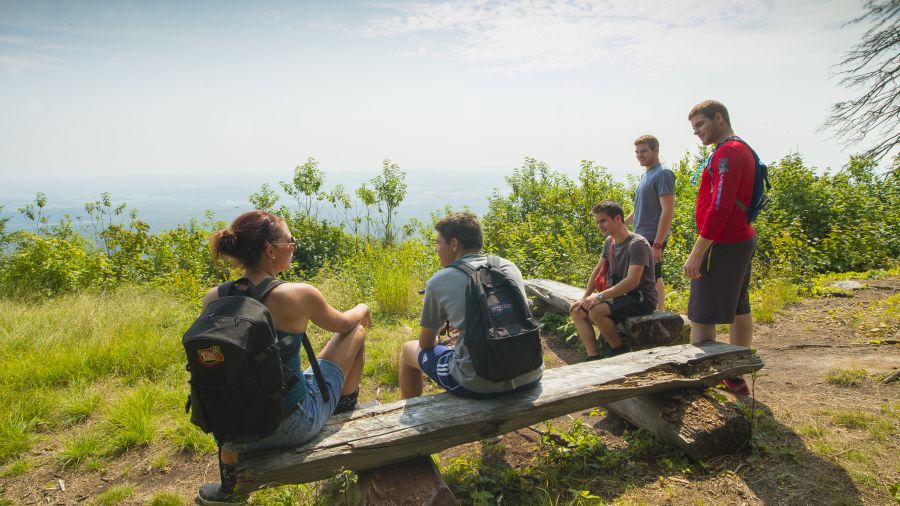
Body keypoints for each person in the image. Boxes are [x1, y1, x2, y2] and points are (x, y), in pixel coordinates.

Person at [197, 210, 370, 505]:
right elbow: (343, 324)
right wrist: (362, 307)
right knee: (355, 335)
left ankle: (230, 490)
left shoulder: (214, 298)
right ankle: (343, 415)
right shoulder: (297, 294)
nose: (293, 247)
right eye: (291, 241)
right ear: (270, 249)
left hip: (231, 428)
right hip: (291, 423)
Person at [398, 212, 542, 399]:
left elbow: (426, 344)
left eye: (438, 242)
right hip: (530, 373)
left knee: (409, 350)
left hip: (477, 383)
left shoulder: (439, 280)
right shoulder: (507, 266)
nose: (436, 249)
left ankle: (413, 415)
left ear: (454, 244)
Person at [684, 99, 758, 395]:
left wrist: (697, 251)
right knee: (740, 308)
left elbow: (720, 206)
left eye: (700, 124)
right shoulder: (739, 148)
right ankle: (735, 374)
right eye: (693, 127)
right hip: (739, 239)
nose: (696, 132)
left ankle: (702, 381)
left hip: (723, 244)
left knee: (701, 315)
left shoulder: (728, 153)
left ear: (719, 118)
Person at [570, 201, 657, 360]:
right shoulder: (609, 242)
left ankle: (619, 352)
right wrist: (584, 297)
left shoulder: (637, 244)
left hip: (641, 298)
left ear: (618, 219)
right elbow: (597, 270)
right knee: (576, 310)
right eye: (597, 222)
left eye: (603, 221)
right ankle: (593, 358)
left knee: (596, 310)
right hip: (620, 296)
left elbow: (633, 281)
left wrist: (600, 296)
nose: (599, 225)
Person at [625, 134, 675, 310]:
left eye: (644, 151)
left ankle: (659, 312)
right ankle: (655, 310)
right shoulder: (646, 175)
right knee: (650, 275)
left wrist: (658, 244)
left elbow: (668, 210)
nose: (639, 155)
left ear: (656, 150)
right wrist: (622, 225)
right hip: (641, 235)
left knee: (654, 275)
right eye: (637, 152)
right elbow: (638, 208)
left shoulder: (663, 173)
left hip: (653, 236)